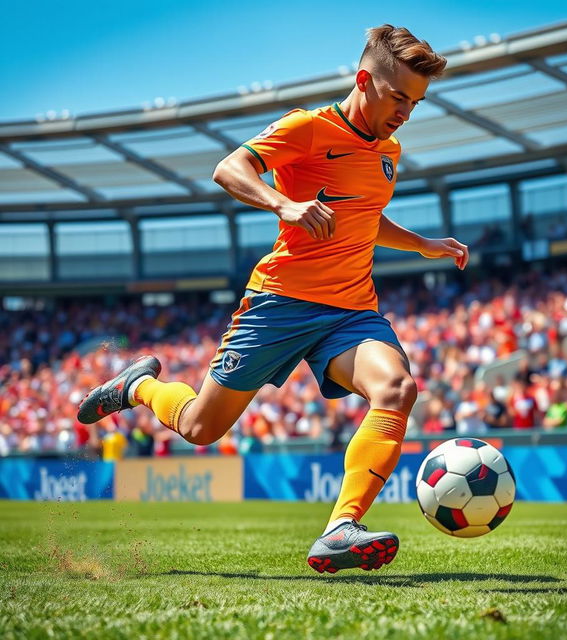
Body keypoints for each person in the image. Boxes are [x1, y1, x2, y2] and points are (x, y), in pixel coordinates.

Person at [77, 25, 468, 573]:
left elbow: (363, 214)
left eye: (417, 101)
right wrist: (283, 204)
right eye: (400, 96)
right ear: (364, 80)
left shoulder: (390, 150)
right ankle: (138, 385)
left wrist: (421, 243)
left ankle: (339, 529)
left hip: (352, 310)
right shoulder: (308, 128)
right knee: (199, 428)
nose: (407, 111)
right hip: (280, 303)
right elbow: (229, 169)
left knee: (398, 388)